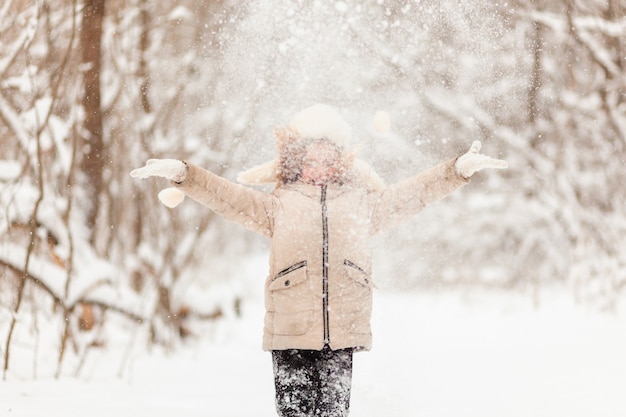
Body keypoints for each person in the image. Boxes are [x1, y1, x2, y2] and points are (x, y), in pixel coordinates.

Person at [130, 103, 507, 417]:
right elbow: (227, 197)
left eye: (329, 160)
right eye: (312, 160)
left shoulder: (361, 205)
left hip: (341, 333)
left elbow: (411, 196)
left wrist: (455, 171)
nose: (320, 168)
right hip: (290, 333)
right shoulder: (278, 204)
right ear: (296, 163)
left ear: (340, 164)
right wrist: (185, 175)